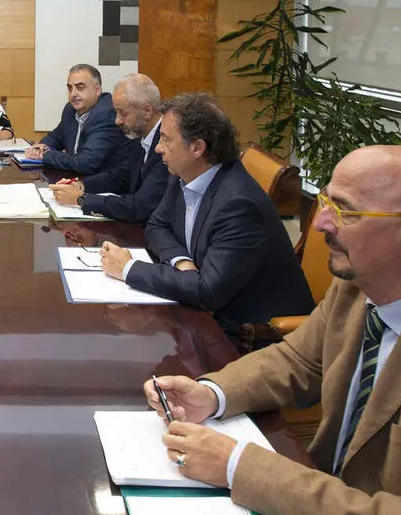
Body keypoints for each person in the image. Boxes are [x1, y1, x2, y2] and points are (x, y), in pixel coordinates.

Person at [142, 146, 401, 515]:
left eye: (345, 211)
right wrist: (212, 394)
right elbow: (298, 360)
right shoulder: (362, 282)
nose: (322, 222)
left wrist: (236, 466)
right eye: (326, 200)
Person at [100, 93, 314, 336]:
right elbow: (156, 225)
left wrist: (129, 269)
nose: (158, 148)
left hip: (250, 334)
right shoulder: (183, 175)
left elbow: (208, 292)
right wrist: (182, 262)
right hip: (202, 313)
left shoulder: (239, 205)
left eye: (167, 140)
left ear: (197, 148)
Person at [49, 73, 170, 224]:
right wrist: (80, 185)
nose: (117, 120)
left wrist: (81, 199)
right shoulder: (141, 136)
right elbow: (120, 176)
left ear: (146, 111)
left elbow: (139, 207)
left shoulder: (166, 147)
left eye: (122, 113)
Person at [24, 64, 130, 174]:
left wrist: (46, 155)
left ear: (97, 90)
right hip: (77, 178)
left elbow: (86, 162)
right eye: (70, 88)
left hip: (105, 184)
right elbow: (56, 136)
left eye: (80, 87)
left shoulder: (107, 114)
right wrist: (41, 147)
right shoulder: (70, 109)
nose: (73, 94)